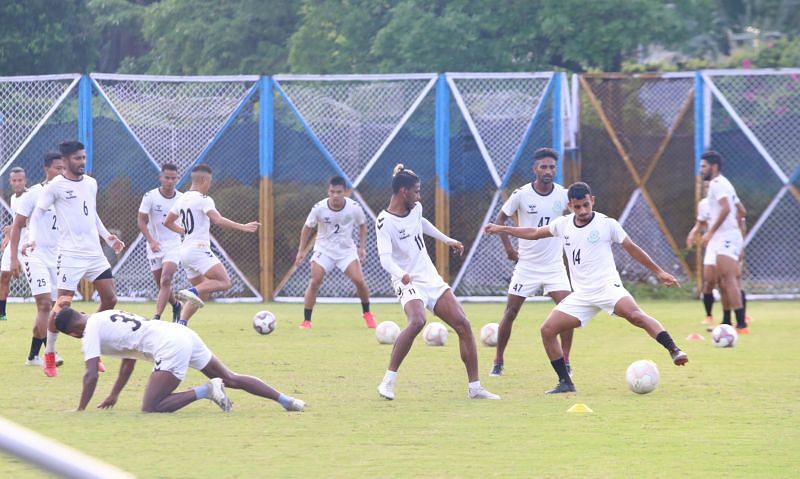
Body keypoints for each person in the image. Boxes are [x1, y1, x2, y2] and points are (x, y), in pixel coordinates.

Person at [485, 182, 688, 394]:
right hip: (582, 295)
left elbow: (632, 249)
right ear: (569, 205)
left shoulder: (607, 224)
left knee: (636, 315)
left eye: (585, 205)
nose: (582, 211)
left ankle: (674, 349)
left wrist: (659, 272)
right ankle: (565, 382)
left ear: (593, 201)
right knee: (547, 330)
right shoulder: (563, 224)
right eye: (577, 207)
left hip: (607, 287)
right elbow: (535, 232)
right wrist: (503, 228)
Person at [375, 164, 500, 401]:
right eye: (416, 191)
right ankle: (387, 383)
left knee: (463, 324)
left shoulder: (416, 208)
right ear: (403, 192)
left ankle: (475, 388)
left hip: (429, 278)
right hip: (406, 281)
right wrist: (401, 274)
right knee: (417, 321)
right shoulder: (384, 221)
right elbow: (385, 260)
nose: (419, 196)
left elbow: (421, 224)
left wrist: (447, 240)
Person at [54, 307, 305, 413]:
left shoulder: (88, 334)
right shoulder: (105, 315)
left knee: (152, 407)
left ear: (72, 333)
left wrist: (80, 410)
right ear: (82, 312)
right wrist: (115, 394)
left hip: (169, 346)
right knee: (231, 378)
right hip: (180, 333)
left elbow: (91, 374)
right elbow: (128, 360)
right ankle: (288, 401)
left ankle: (206, 390)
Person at [34, 140, 125, 377]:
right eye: (77, 158)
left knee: (110, 298)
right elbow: (38, 214)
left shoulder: (91, 183)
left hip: (94, 252)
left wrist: (108, 237)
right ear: (64, 161)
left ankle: (92, 347)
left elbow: (92, 213)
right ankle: (50, 354)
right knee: (63, 304)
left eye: (84, 157)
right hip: (70, 254)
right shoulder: (54, 187)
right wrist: (32, 239)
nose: (82, 162)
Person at [490, 147, 572, 377]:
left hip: (554, 265)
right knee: (511, 312)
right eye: (543, 167)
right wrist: (508, 249)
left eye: (552, 167)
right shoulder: (522, 194)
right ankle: (498, 359)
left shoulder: (563, 195)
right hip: (527, 265)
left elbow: (578, 218)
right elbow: (500, 219)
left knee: (567, 310)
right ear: (534, 169)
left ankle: (566, 361)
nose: (548, 171)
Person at [164, 164, 259, 326]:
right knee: (224, 282)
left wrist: (185, 231)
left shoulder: (181, 199)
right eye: (210, 181)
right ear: (205, 180)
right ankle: (190, 291)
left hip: (185, 252)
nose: (210, 185)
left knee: (203, 292)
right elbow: (218, 219)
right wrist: (243, 227)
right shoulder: (204, 199)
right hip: (199, 250)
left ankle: (181, 324)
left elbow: (167, 222)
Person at [294, 175, 375, 329]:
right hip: (324, 250)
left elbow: (363, 225)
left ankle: (367, 314)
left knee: (359, 281)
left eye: (339, 192)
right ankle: (306, 320)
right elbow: (307, 227)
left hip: (346, 251)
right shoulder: (319, 208)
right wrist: (301, 251)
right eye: (332, 192)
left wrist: (362, 247)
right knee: (315, 281)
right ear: (328, 192)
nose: (335, 195)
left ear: (344, 192)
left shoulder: (354, 207)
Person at [9, 153, 64, 366]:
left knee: (53, 305)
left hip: (57, 257)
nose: (61, 172)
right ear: (47, 169)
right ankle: (51, 352)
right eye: (57, 168)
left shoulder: (66, 194)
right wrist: (13, 258)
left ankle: (33, 356)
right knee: (44, 304)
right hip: (34, 255)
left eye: (63, 168)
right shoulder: (34, 194)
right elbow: (17, 226)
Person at [685, 180, 749, 326]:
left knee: (730, 280)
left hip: (728, 241)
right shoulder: (704, 204)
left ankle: (740, 320)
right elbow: (701, 222)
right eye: (706, 186)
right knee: (711, 280)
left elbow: (742, 215)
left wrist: (740, 245)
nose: (708, 188)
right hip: (713, 243)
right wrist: (693, 233)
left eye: (709, 186)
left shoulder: (726, 197)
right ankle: (717, 317)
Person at [699, 151, 748, 333]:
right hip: (726, 236)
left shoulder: (718, 184)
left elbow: (727, 208)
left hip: (726, 237)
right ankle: (727, 322)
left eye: (703, 166)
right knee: (721, 280)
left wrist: (712, 232)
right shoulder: (723, 184)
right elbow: (741, 211)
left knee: (729, 279)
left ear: (714, 167)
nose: (701, 170)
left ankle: (742, 324)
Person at [137, 163, 183, 321]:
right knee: (162, 284)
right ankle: (176, 305)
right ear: (161, 178)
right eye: (167, 178)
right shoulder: (150, 196)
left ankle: (156, 318)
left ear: (177, 179)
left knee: (166, 279)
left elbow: (186, 223)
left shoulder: (182, 199)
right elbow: (141, 221)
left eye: (173, 178)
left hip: (173, 245)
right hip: (154, 246)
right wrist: (151, 241)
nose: (170, 181)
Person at [0, 167, 28, 321]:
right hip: (14, 242)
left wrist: (12, 228)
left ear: (25, 181)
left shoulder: (30, 197)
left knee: (35, 278)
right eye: (14, 180)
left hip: (28, 243)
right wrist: (8, 235)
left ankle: (51, 309)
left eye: (20, 180)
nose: (17, 183)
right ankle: (1, 313)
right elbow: (16, 221)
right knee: (4, 275)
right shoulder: (13, 198)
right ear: (10, 182)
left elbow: (28, 221)